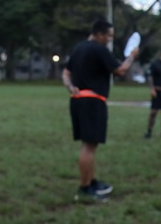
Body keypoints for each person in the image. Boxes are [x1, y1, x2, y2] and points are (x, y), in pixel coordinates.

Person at [62, 18, 138, 203]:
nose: (110, 39)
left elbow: (66, 73)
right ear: (99, 34)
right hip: (92, 102)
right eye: (109, 36)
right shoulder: (98, 49)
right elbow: (120, 71)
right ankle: (85, 188)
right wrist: (132, 56)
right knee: (89, 147)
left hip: (78, 100)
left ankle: (91, 180)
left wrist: (70, 87)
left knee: (90, 145)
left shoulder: (79, 48)